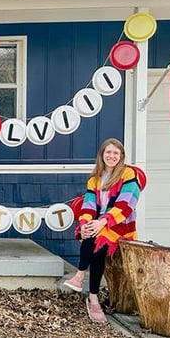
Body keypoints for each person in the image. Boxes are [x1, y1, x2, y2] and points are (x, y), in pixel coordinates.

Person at [63, 138, 142, 323]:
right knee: (90, 234)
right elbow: (89, 205)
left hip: (121, 224)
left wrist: (103, 221)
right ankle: (92, 297)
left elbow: (126, 204)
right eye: (108, 152)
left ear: (121, 156)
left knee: (98, 244)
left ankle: (82, 279)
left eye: (116, 153)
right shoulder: (95, 179)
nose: (112, 156)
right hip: (100, 224)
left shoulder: (128, 174)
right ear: (102, 155)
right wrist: (84, 224)